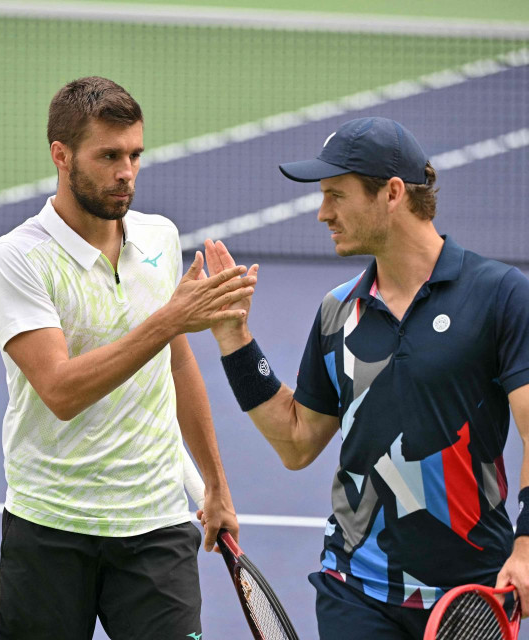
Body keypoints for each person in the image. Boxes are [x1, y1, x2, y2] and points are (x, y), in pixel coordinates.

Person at [203, 116, 529, 639]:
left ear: (392, 193)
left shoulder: (499, 296)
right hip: (354, 588)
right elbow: (296, 441)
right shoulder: (337, 311)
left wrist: (527, 544)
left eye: (336, 195)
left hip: (470, 596)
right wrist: (232, 339)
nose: (322, 213)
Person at [0, 76, 255, 640]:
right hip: (50, 528)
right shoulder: (17, 260)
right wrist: (170, 318)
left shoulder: (160, 238)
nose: (126, 171)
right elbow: (60, 390)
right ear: (61, 155)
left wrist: (215, 485)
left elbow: (176, 364)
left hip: (157, 527)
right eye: (108, 155)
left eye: (134, 155)